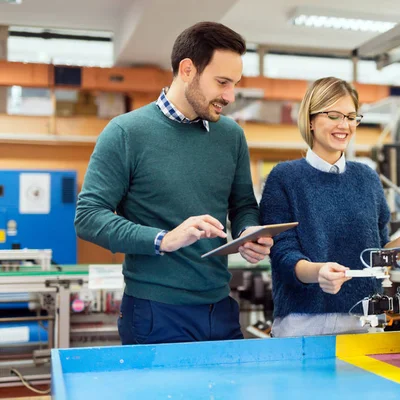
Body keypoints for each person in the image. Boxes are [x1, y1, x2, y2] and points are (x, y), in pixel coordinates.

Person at [75, 22, 273, 345]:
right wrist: (162, 240)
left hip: (220, 309)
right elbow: (88, 216)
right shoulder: (126, 133)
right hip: (155, 312)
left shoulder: (231, 136)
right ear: (187, 70)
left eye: (234, 84)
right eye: (222, 82)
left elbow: (243, 206)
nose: (230, 96)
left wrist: (249, 231)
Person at [259, 77, 400, 337]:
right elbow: (283, 257)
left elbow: (381, 253)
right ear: (310, 119)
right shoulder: (285, 177)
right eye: (333, 115)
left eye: (351, 116)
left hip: (364, 322)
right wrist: (318, 273)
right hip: (304, 324)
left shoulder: (367, 178)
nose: (344, 125)